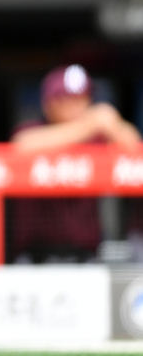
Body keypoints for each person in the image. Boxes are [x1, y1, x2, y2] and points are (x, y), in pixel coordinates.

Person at [10, 64, 140, 263]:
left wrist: (114, 123)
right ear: (48, 103)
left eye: (82, 98)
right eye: (68, 100)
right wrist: (87, 126)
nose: (77, 107)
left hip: (85, 256)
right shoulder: (33, 129)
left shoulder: (97, 137)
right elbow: (20, 146)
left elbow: (134, 149)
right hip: (34, 257)